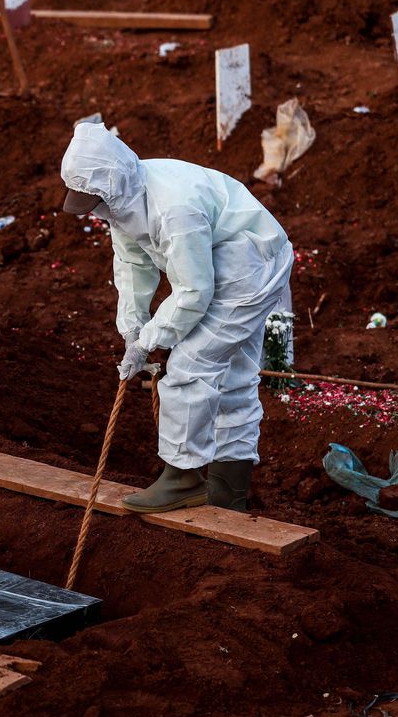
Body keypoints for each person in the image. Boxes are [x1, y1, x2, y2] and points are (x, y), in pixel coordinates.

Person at [60, 123, 293, 513]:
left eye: (95, 200)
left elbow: (193, 292)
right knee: (231, 377)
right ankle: (228, 493)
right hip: (226, 259)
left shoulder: (174, 208)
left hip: (247, 265)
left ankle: (183, 477)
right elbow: (133, 261)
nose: (95, 210)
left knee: (191, 366)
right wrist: (133, 328)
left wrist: (153, 340)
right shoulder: (125, 198)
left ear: (112, 185)